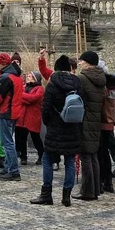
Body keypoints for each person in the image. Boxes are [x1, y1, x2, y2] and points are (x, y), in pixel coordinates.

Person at [30, 55, 81, 207]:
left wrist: (48, 123)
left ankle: (46, 194)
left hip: (55, 128)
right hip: (72, 127)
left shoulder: (52, 84)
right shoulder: (78, 83)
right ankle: (67, 196)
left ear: (57, 68)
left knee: (47, 159)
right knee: (70, 161)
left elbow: (45, 108)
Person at [75, 51, 106, 201]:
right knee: (93, 155)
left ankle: (87, 191)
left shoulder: (82, 78)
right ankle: (95, 189)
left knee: (85, 156)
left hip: (85, 120)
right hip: (96, 119)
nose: (80, 63)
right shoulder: (101, 77)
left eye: (81, 61)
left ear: (87, 63)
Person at [0, 53, 24, 181]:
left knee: (7, 142)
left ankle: (13, 171)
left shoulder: (5, 77)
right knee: (9, 141)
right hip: (14, 112)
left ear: (2, 64)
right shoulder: (17, 77)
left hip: (6, 112)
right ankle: (9, 167)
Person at [99, 71, 115, 193]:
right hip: (109, 125)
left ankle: (103, 181)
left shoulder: (107, 94)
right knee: (106, 152)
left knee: (102, 153)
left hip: (102, 125)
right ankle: (107, 181)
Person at [18, 71, 44, 165]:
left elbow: (34, 98)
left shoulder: (40, 88)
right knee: (22, 138)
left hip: (33, 116)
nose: (28, 77)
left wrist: (24, 97)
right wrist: (27, 98)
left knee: (35, 138)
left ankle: (41, 155)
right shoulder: (24, 87)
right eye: (28, 76)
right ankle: (23, 157)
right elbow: (19, 98)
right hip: (22, 116)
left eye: (30, 76)